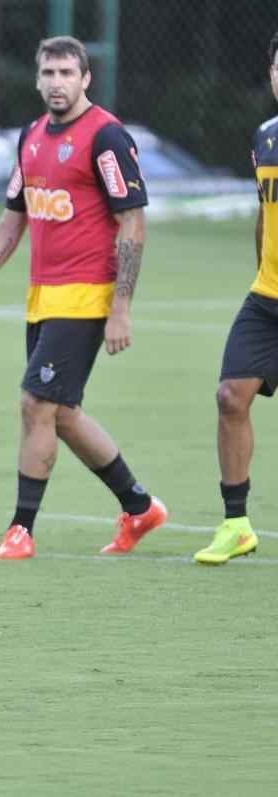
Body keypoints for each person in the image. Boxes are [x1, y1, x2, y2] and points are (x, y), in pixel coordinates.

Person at [0, 36, 167, 560]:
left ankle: (21, 529)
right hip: (43, 298)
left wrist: (121, 307)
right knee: (62, 413)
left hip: (87, 295)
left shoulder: (106, 137)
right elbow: (14, 217)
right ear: (37, 79)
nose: (57, 83)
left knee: (35, 403)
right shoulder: (30, 137)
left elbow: (132, 222)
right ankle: (140, 507)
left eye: (67, 73)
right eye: (49, 73)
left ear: (85, 78)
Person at [194, 32, 278, 565]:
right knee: (230, 396)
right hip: (267, 298)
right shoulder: (266, 136)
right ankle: (236, 525)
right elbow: (263, 212)